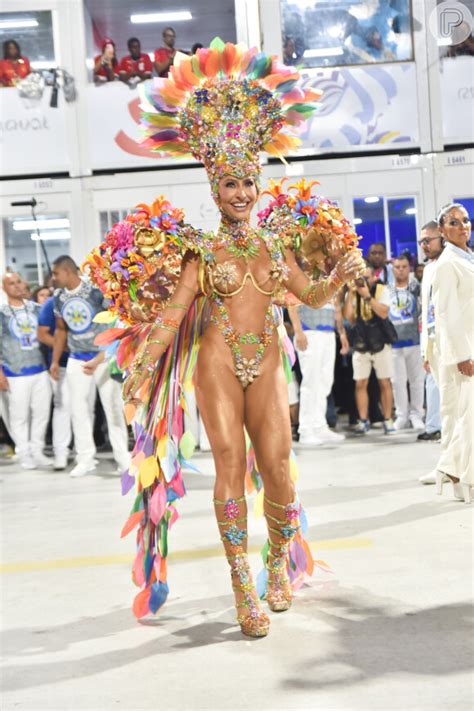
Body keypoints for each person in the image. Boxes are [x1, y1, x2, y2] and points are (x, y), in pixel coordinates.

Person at [84, 40, 364, 637]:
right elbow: (173, 315)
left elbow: (309, 297)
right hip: (214, 364)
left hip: (265, 361)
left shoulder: (275, 244)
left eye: (248, 183)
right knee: (231, 466)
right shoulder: (202, 250)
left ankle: (275, 567)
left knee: (281, 467)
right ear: (215, 187)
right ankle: (242, 587)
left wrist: (337, 274)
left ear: (258, 186)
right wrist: (140, 367)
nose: (240, 193)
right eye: (230, 183)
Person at [49, 256, 130, 478]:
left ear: (67, 271)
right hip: (77, 358)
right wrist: (55, 361)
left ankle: (124, 459)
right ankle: (85, 458)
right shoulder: (58, 298)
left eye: (56, 273)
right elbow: (61, 330)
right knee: (78, 409)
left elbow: (116, 321)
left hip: (103, 357)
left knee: (112, 407)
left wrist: (104, 355)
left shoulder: (95, 291)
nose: (54, 278)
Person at [430, 204, 473, 503]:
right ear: (443, 232)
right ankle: (461, 475)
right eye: (454, 223)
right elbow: (446, 313)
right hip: (462, 352)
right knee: (465, 419)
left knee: (468, 418)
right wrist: (462, 354)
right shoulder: (446, 263)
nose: (463, 226)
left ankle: (451, 470)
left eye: (466, 220)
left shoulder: (467, 257)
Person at [0, 272, 52, 469]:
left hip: (39, 368)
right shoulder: (2, 314)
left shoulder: (37, 309)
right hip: (14, 372)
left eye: (19, 281)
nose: (17, 286)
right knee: (18, 416)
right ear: (4, 289)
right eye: (11, 284)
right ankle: (24, 452)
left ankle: (37, 450)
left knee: (41, 412)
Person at [288, 297, 348, 445]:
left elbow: (336, 307)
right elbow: (291, 303)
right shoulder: (303, 275)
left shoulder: (329, 279)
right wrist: (298, 331)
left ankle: (319, 426)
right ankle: (306, 430)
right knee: (311, 382)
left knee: (325, 382)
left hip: (328, 332)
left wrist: (342, 333)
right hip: (309, 332)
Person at [343, 264, 395, 434]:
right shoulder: (352, 292)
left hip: (380, 342)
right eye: (360, 278)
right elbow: (349, 318)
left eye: (366, 277)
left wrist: (367, 297)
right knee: (360, 383)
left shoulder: (382, 290)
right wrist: (351, 294)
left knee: (384, 382)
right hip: (361, 343)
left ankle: (388, 419)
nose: (363, 281)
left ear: (374, 277)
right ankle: (363, 420)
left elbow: (383, 313)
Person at [388, 255, 424, 430]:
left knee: (416, 380)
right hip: (394, 342)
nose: (400, 270)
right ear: (392, 269)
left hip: (414, 340)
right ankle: (401, 415)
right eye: (397, 267)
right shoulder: (386, 289)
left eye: (404, 266)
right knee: (397, 381)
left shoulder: (416, 287)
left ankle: (416, 414)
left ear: (408, 268)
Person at [37, 293, 71, 471]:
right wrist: (64, 348)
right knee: (62, 406)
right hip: (62, 364)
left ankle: (85, 455)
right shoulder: (51, 303)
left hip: (87, 361)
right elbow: (42, 334)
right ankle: (61, 453)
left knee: (86, 410)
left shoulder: (92, 295)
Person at [417, 221, 443, 451]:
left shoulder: (455, 263)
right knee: (433, 386)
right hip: (433, 339)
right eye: (421, 241)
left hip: (454, 340)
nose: (424, 245)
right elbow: (426, 311)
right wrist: (425, 346)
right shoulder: (428, 269)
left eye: (428, 240)